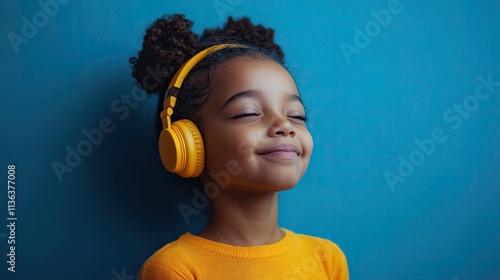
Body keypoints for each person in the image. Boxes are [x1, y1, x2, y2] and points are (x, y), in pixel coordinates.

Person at [130, 13, 349, 280]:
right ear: (187, 145)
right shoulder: (174, 268)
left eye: (297, 115)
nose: (285, 125)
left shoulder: (327, 257)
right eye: (247, 113)